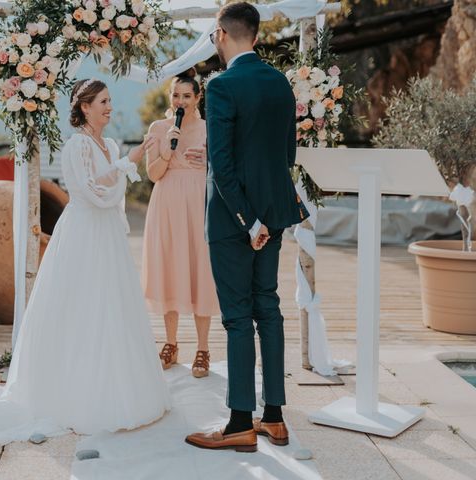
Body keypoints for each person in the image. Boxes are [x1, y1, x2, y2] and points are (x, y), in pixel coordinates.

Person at [0, 79, 170, 448]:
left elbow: (113, 194)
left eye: (109, 101)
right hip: (83, 235)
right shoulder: (77, 145)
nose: (109, 107)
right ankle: (76, 391)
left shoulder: (112, 144)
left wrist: (122, 165)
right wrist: (127, 164)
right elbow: (87, 190)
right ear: (84, 107)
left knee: (111, 307)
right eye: (103, 101)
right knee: (80, 306)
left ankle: (116, 383)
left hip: (107, 237)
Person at [185, 2, 309, 452]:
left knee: (238, 317)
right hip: (273, 216)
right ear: (255, 36)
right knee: (268, 309)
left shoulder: (221, 86)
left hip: (234, 222)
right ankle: (273, 417)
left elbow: (220, 165)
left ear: (221, 33)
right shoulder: (280, 83)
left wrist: (247, 220)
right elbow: (286, 156)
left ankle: (239, 422)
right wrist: (266, 219)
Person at [142, 68, 220, 379]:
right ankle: (171, 343)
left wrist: (209, 162)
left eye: (187, 96)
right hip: (166, 204)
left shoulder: (210, 128)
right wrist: (167, 147)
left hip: (198, 204)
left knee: (201, 269)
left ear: (198, 98)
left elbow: (222, 167)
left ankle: (203, 348)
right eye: (176, 95)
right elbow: (153, 174)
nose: (181, 100)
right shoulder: (159, 127)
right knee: (169, 269)